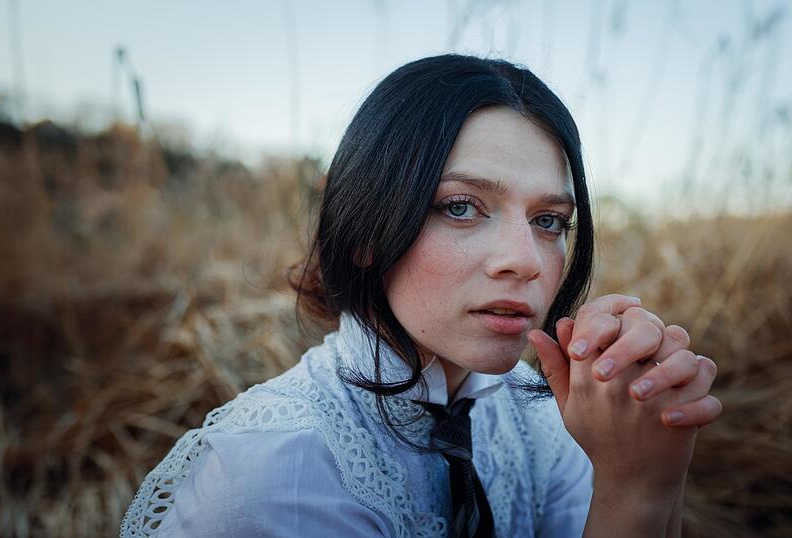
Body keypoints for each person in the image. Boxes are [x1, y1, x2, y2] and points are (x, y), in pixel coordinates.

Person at [121, 54, 722, 538]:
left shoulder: (544, 421)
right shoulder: (278, 474)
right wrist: (632, 491)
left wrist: (649, 472)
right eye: (461, 207)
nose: (526, 261)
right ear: (365, 233)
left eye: (549, 221)